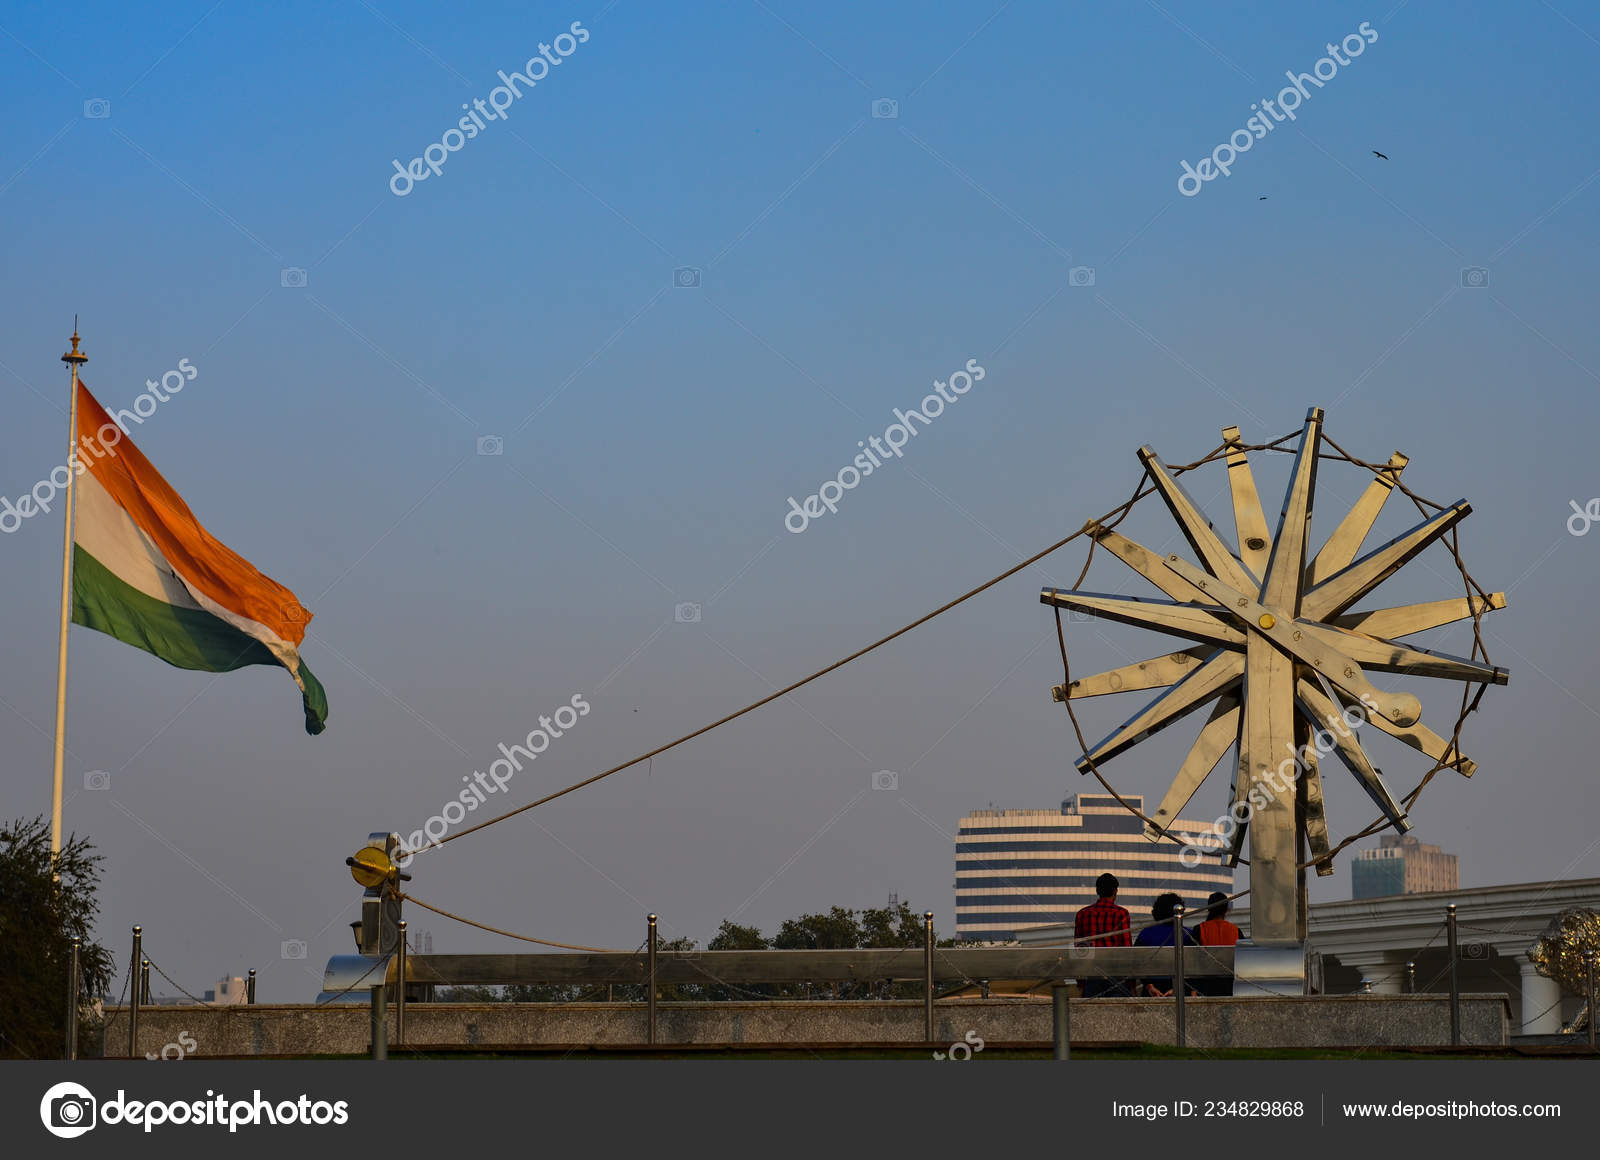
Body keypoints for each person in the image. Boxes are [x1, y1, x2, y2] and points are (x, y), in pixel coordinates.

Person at [1073, 873, 1131, 997]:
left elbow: (1080, 950)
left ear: (1097, 891)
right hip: (1116, 975)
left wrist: (1081, 983)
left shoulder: (1082, 914)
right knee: (1119, 1012)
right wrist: (1130, 983)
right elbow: (1126, 950)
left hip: (1092, 975)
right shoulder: (1122, 914)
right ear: (1116, 891)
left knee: (1092, 1013)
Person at [1133, 892, 1195, 996]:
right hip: (1181, 988)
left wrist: (1150, 986)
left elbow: (1137, 963)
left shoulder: (1145, 934)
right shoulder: (1188, 934)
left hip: (1152, 989)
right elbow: (1194, 966)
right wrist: (1177, 989)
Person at [1193, 891, 1241, 996]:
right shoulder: (1236, 930)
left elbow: (1194, 959)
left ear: (1209, 908)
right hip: (1231, 983)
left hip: (1206, 984)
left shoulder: (1199, 929)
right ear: (1226, 909)